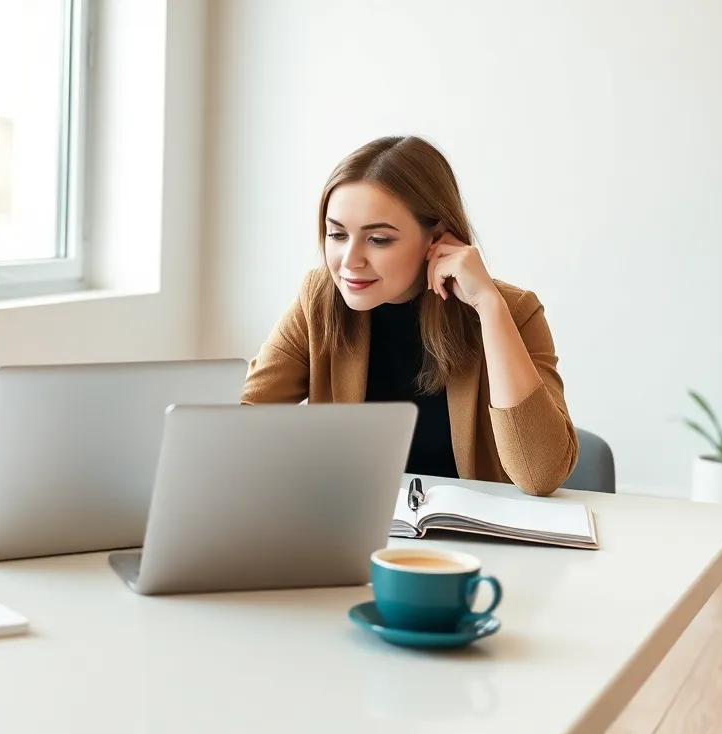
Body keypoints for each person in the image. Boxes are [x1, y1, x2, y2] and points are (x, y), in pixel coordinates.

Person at [241, 136, 578, 496]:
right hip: (354, 537)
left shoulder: (513, 310)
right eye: (337, 234)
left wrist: (490, 309)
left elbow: (540, 476)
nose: (349, 261)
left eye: (379, 239)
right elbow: (237, 429)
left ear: (437, 237)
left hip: (475, 548)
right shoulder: (320, 301)